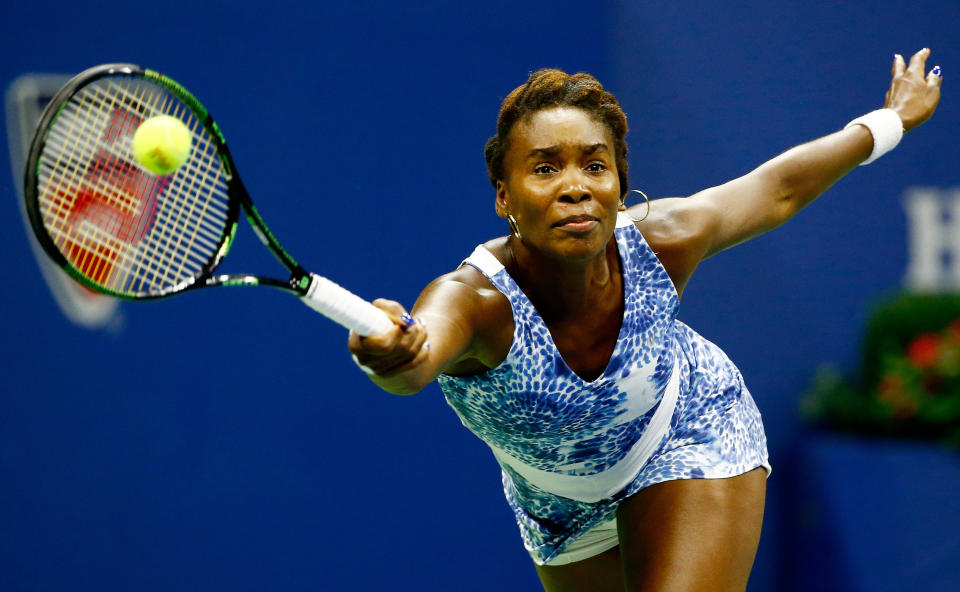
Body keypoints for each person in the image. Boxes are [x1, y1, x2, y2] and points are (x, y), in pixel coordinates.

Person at [348, 49, 942, 591]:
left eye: (595, 166)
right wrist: (391, 352)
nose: (576, 187)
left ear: (619, 184)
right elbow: (415, 361)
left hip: (690, 432)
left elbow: (778, 189)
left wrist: (893, 120)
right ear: (504, 195)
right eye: (546, 168)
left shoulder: (664, 241)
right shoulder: (474, 301)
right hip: (558, 503)